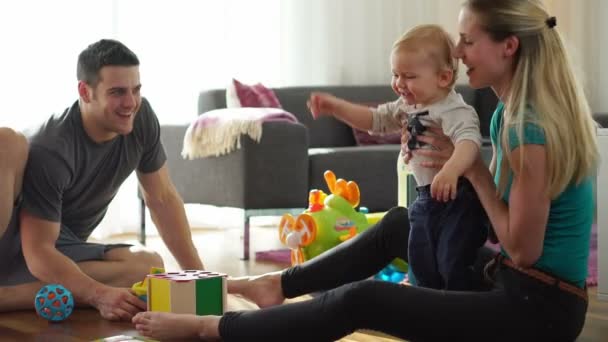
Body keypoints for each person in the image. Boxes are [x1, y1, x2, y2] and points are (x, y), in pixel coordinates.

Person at [132, 0, 598, 340]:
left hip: (538, 308)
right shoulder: (507, 113)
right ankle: (277, 284)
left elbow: (523, 249)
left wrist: (473, 171)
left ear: (508, 47)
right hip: (518, 285)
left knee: (365, 299)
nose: (457, 51)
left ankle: (215, 330)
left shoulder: (528, 128)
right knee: (400, 223)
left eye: (468, 40)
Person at [0, 39, 205, 321]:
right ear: (85, 92)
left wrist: (202, 278)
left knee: (147, 266)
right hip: (20, 241)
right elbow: (38, 250)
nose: (130, 103)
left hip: (60, 249)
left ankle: (7, 297)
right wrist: (98, 294)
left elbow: (162, 198)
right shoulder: (54, 146)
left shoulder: (141, 118)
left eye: (136, 90)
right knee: (5, 141)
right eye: (118, 92)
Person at [307, 24, 487, 290]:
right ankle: (427, 306)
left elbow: (469, 143)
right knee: (421, 258)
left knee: (453, 258)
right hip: (426, 197)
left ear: (444, 78)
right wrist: (336, 107)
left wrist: (451, 170)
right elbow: (374, 120)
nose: (400, 83)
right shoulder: (407, 107)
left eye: (409, 76)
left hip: (458, 199)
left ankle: (464, 306)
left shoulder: (453, 110)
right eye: (396, 75)